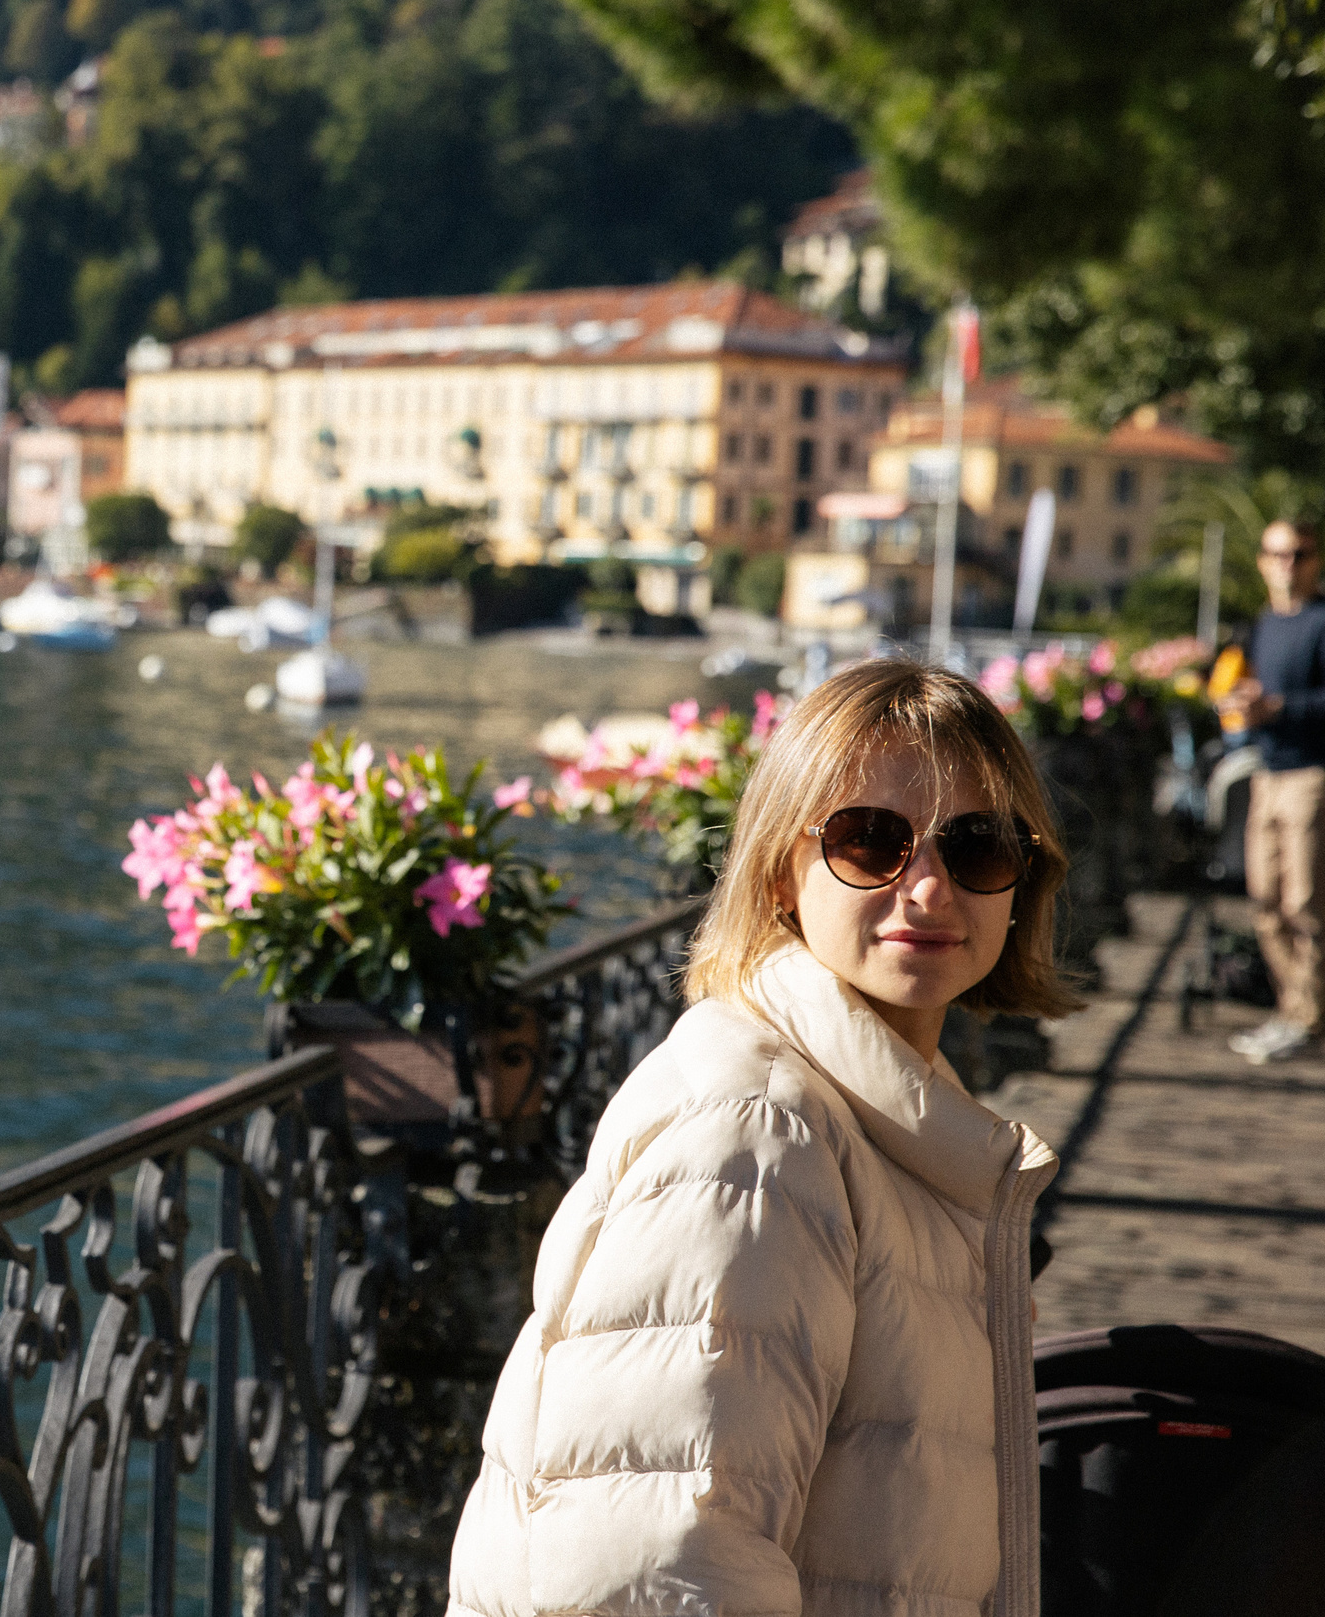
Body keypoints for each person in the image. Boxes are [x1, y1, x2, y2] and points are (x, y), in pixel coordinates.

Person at [448, 659, 1078, 1617]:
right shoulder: (757, 1134)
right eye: (872, 841)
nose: (927, 885)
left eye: (976, 847)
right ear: (785, 871)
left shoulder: (901, 1112)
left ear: (1019, 881)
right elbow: (661, 1570)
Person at [1219, 517, 1325, 1064]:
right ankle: (1293, 1010)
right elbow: (1261, 692)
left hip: (1312, 775)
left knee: (1305, 903)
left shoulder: (1320, 621)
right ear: (1262, 560)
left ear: (1315, 560)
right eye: (1277, 553)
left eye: (1299, 554)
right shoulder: (1262, 624)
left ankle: (1305, 1020)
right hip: (1268, 770)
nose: (1287, 563)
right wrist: (1245, 703)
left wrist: (1280, 706)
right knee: (1264, 903)